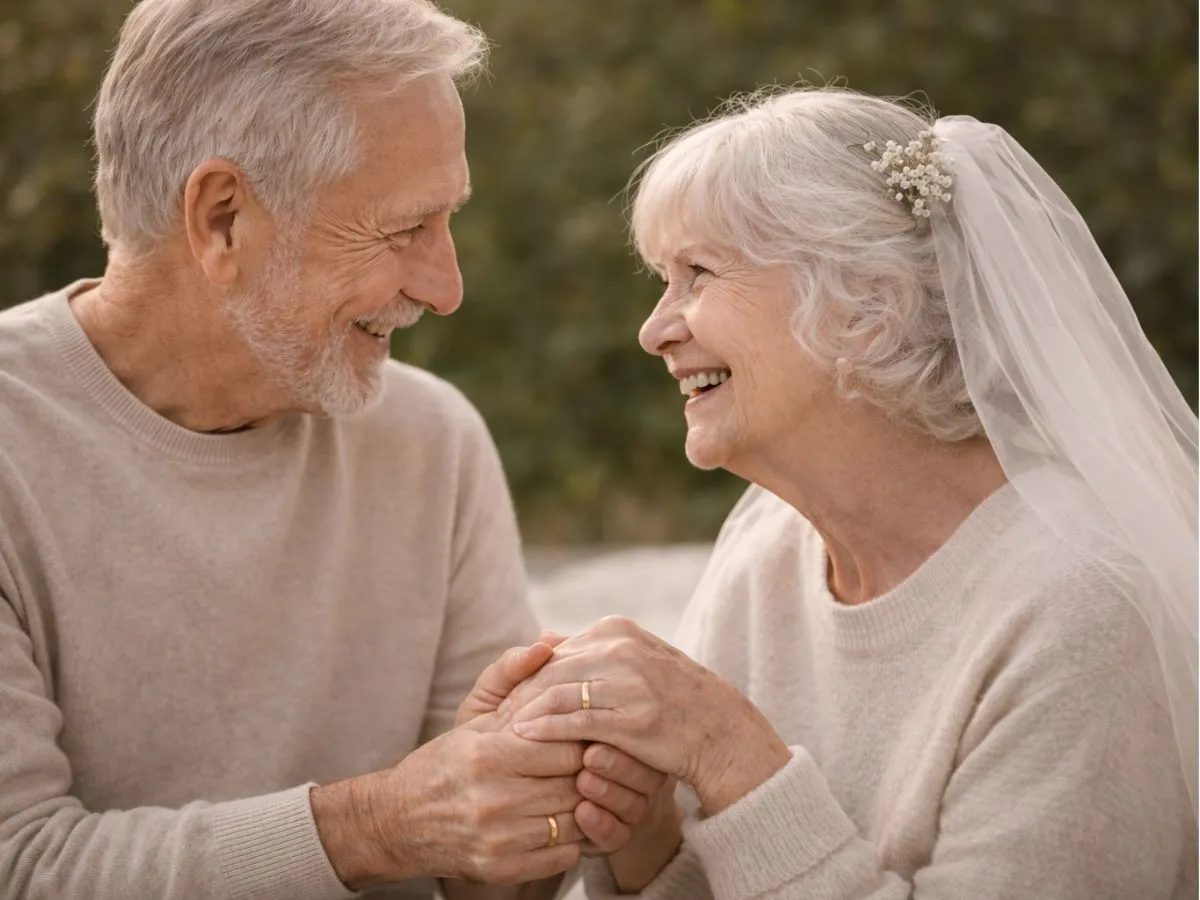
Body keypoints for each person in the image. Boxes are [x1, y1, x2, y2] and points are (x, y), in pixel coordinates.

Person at [0, 1, 665, 898]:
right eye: (405, 229)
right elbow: (21, 866)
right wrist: (381, 824)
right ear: (223, 217)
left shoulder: (432, 442)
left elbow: (498, 885)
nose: (446, 288)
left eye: (449, 221)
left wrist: (531, 806)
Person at [499, 87, 1199, 899]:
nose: (655, 330)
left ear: (870, 307)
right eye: (663, 279)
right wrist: (647, 842)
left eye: (698, 273)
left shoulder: (1086, 606)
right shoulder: (769, 544)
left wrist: (732, 756)